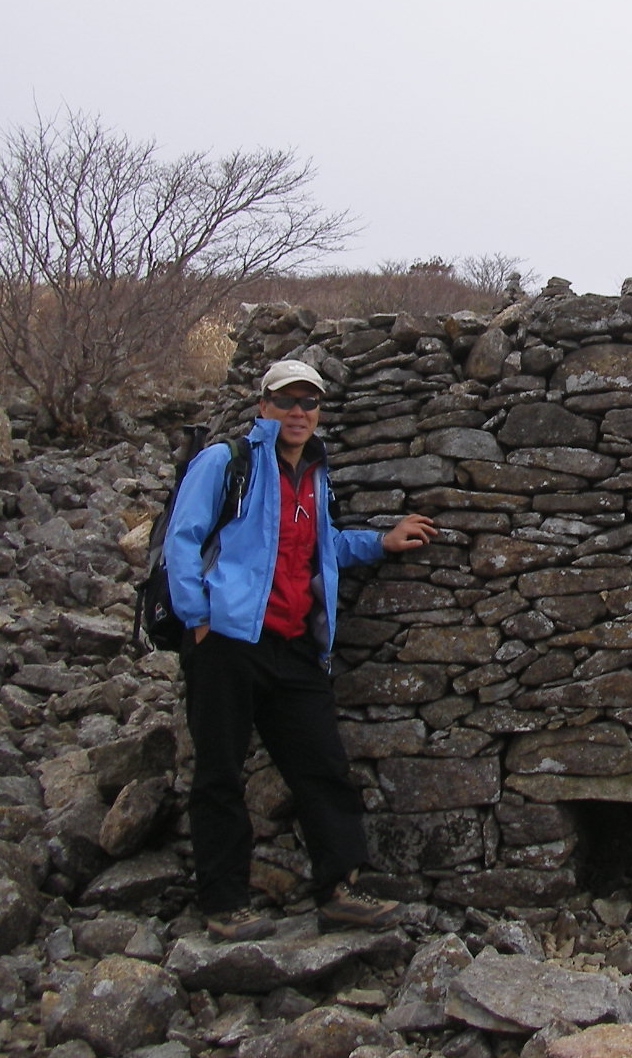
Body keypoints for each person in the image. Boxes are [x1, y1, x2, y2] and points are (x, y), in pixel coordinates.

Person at [164, 358, 437, 941]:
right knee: (219, 773)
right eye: (287, 399)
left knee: (323, 768)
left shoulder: (315, 476)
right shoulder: (226, 461)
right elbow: (181, 541)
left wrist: (380, 542)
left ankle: (339, 891)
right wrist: (199, 620)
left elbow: (323, 548)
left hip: (292, 645)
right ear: (263, 406)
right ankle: (223, 902)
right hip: (227, 643)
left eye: (309, 402)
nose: (298, 411)